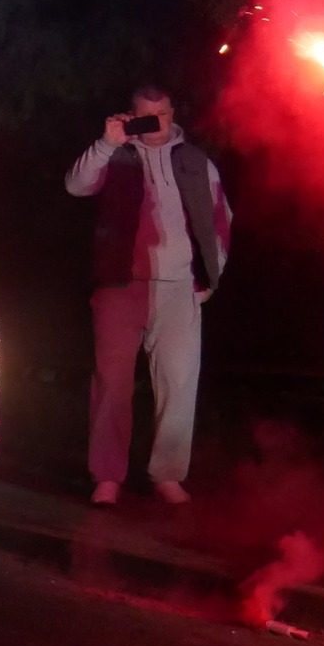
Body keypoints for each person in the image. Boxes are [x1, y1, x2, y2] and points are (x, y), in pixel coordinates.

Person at [65, 87, 231, 505]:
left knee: (178, 382)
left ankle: (168, 474)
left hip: (179, 287)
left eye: (162, 114)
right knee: (112, 383)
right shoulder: (116, 155)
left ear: (173, 114)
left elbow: (220, 219)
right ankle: (107, 478)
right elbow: (76, 186)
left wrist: (210, 277)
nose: (156, 122)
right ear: (131, 116)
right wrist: (107, 143)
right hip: (120, 285)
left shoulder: (196, 161)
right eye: (146, 115)